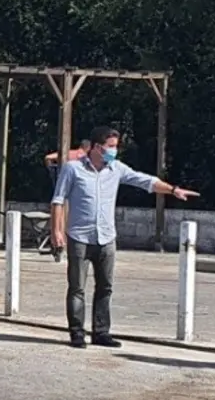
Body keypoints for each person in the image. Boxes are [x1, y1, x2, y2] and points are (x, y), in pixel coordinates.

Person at [50, 126, 199, 349]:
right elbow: (58, 200)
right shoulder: (73, 169)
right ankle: (77, 333)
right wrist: (56, 231)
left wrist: (173, 189)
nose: (114, 151)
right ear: (97, 147)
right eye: (110, 146)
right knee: (77, 288)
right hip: (79, 237)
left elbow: (144, 181)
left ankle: (101, 332)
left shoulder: (116, 169)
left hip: (107, 238)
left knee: (105, 287)